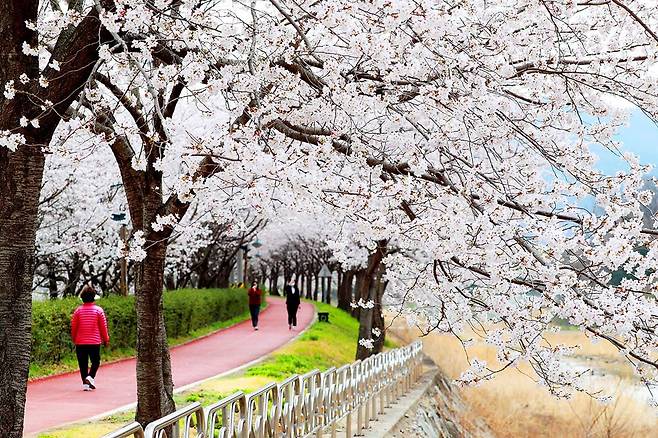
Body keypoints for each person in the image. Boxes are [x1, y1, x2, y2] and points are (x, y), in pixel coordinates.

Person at [70, 284, 110, 391]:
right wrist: (106, 339)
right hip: (94, 342)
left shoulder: (78, 311)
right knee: (96, 361)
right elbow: (103, 327)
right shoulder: (98, 310)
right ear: (93, 298)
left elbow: (74, 327)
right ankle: (90, 377)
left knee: (82, 363)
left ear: (82, 298)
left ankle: (85, 383)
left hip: (80, 342)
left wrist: (74, 338)